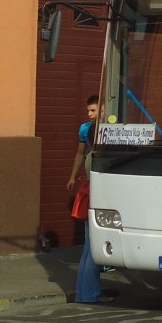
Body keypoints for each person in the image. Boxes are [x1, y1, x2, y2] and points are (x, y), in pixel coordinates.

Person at [68, 94, 112, 304]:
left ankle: (83, 293)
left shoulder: (90, 157)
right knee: (92, 249)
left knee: (88, 249)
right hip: (96, 198)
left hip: (89, 195)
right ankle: (89, 294)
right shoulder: (95, 158)